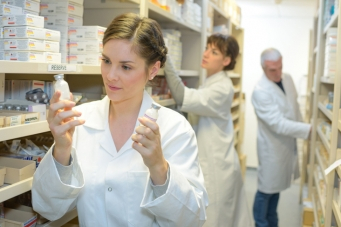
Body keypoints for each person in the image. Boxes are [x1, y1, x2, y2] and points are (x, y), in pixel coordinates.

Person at [32, 13, 208, 226]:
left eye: (125, 66)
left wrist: (159, 166)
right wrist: (61, 149)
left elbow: (192, 219)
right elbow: (47, 208)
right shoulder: (80, 120)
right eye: (106, 61)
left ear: (152, 70)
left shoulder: (175, 128)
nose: (110, 75)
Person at [164, 33, 252, 227]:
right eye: (206, 48)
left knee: (215, 218)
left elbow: (181, 96)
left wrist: (165, 57)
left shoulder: (221, 88)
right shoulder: (212, 82)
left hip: (217, 167)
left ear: (226, 60)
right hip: (215, 160)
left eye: (214, 52)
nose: (205, 54)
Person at [251, 48, 312, 227]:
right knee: (266, 191)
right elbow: (278, 124)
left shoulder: (289, 79)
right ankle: (261, 223)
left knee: (275, 191)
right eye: (272, 70)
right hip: (272, 149)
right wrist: (307, 130)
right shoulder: (260, 91)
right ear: (263, 68)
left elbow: (295, 109)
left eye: (280, 67)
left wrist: (302, 126)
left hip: (286, 145)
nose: (278, 73)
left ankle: (272, 223)